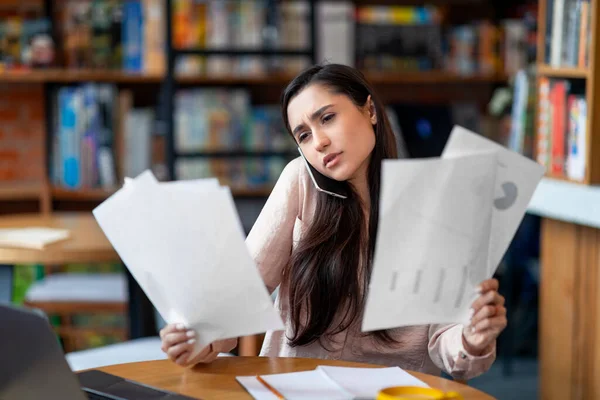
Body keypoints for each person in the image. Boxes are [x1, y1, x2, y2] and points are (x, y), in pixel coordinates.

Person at [160, 64, 507, 380]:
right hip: (295, 389)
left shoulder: (436, 203)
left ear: (369, 110)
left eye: (326, 118)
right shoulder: (300, 181)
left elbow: (447, 345)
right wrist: (196, 338)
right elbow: (239, 295)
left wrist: (472, 338)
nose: (319, 142)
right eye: (304, 135)